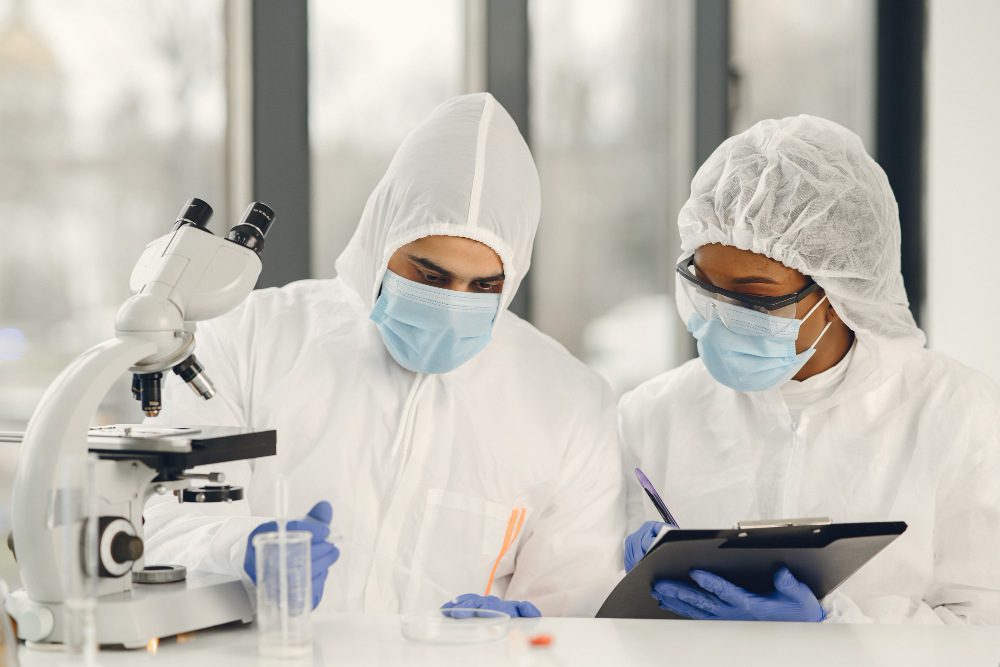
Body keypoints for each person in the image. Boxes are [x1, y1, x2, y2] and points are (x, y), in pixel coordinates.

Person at [143, 93, 625, 617]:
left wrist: (529, 637)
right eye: (430, 275)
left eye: (484, 284)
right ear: (382, 238)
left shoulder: (569, 401)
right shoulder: (249, 337)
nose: (452, 302)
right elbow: (165, 519)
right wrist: (242, 549)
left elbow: (575, 598)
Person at [620, 115, 1000, 624]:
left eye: (753, 296)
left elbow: (983, 624)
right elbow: (600, 605)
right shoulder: (654, 412)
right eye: (705, 285)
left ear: (839, 290)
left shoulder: (962, 415)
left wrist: (834, 627)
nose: (718, 317)